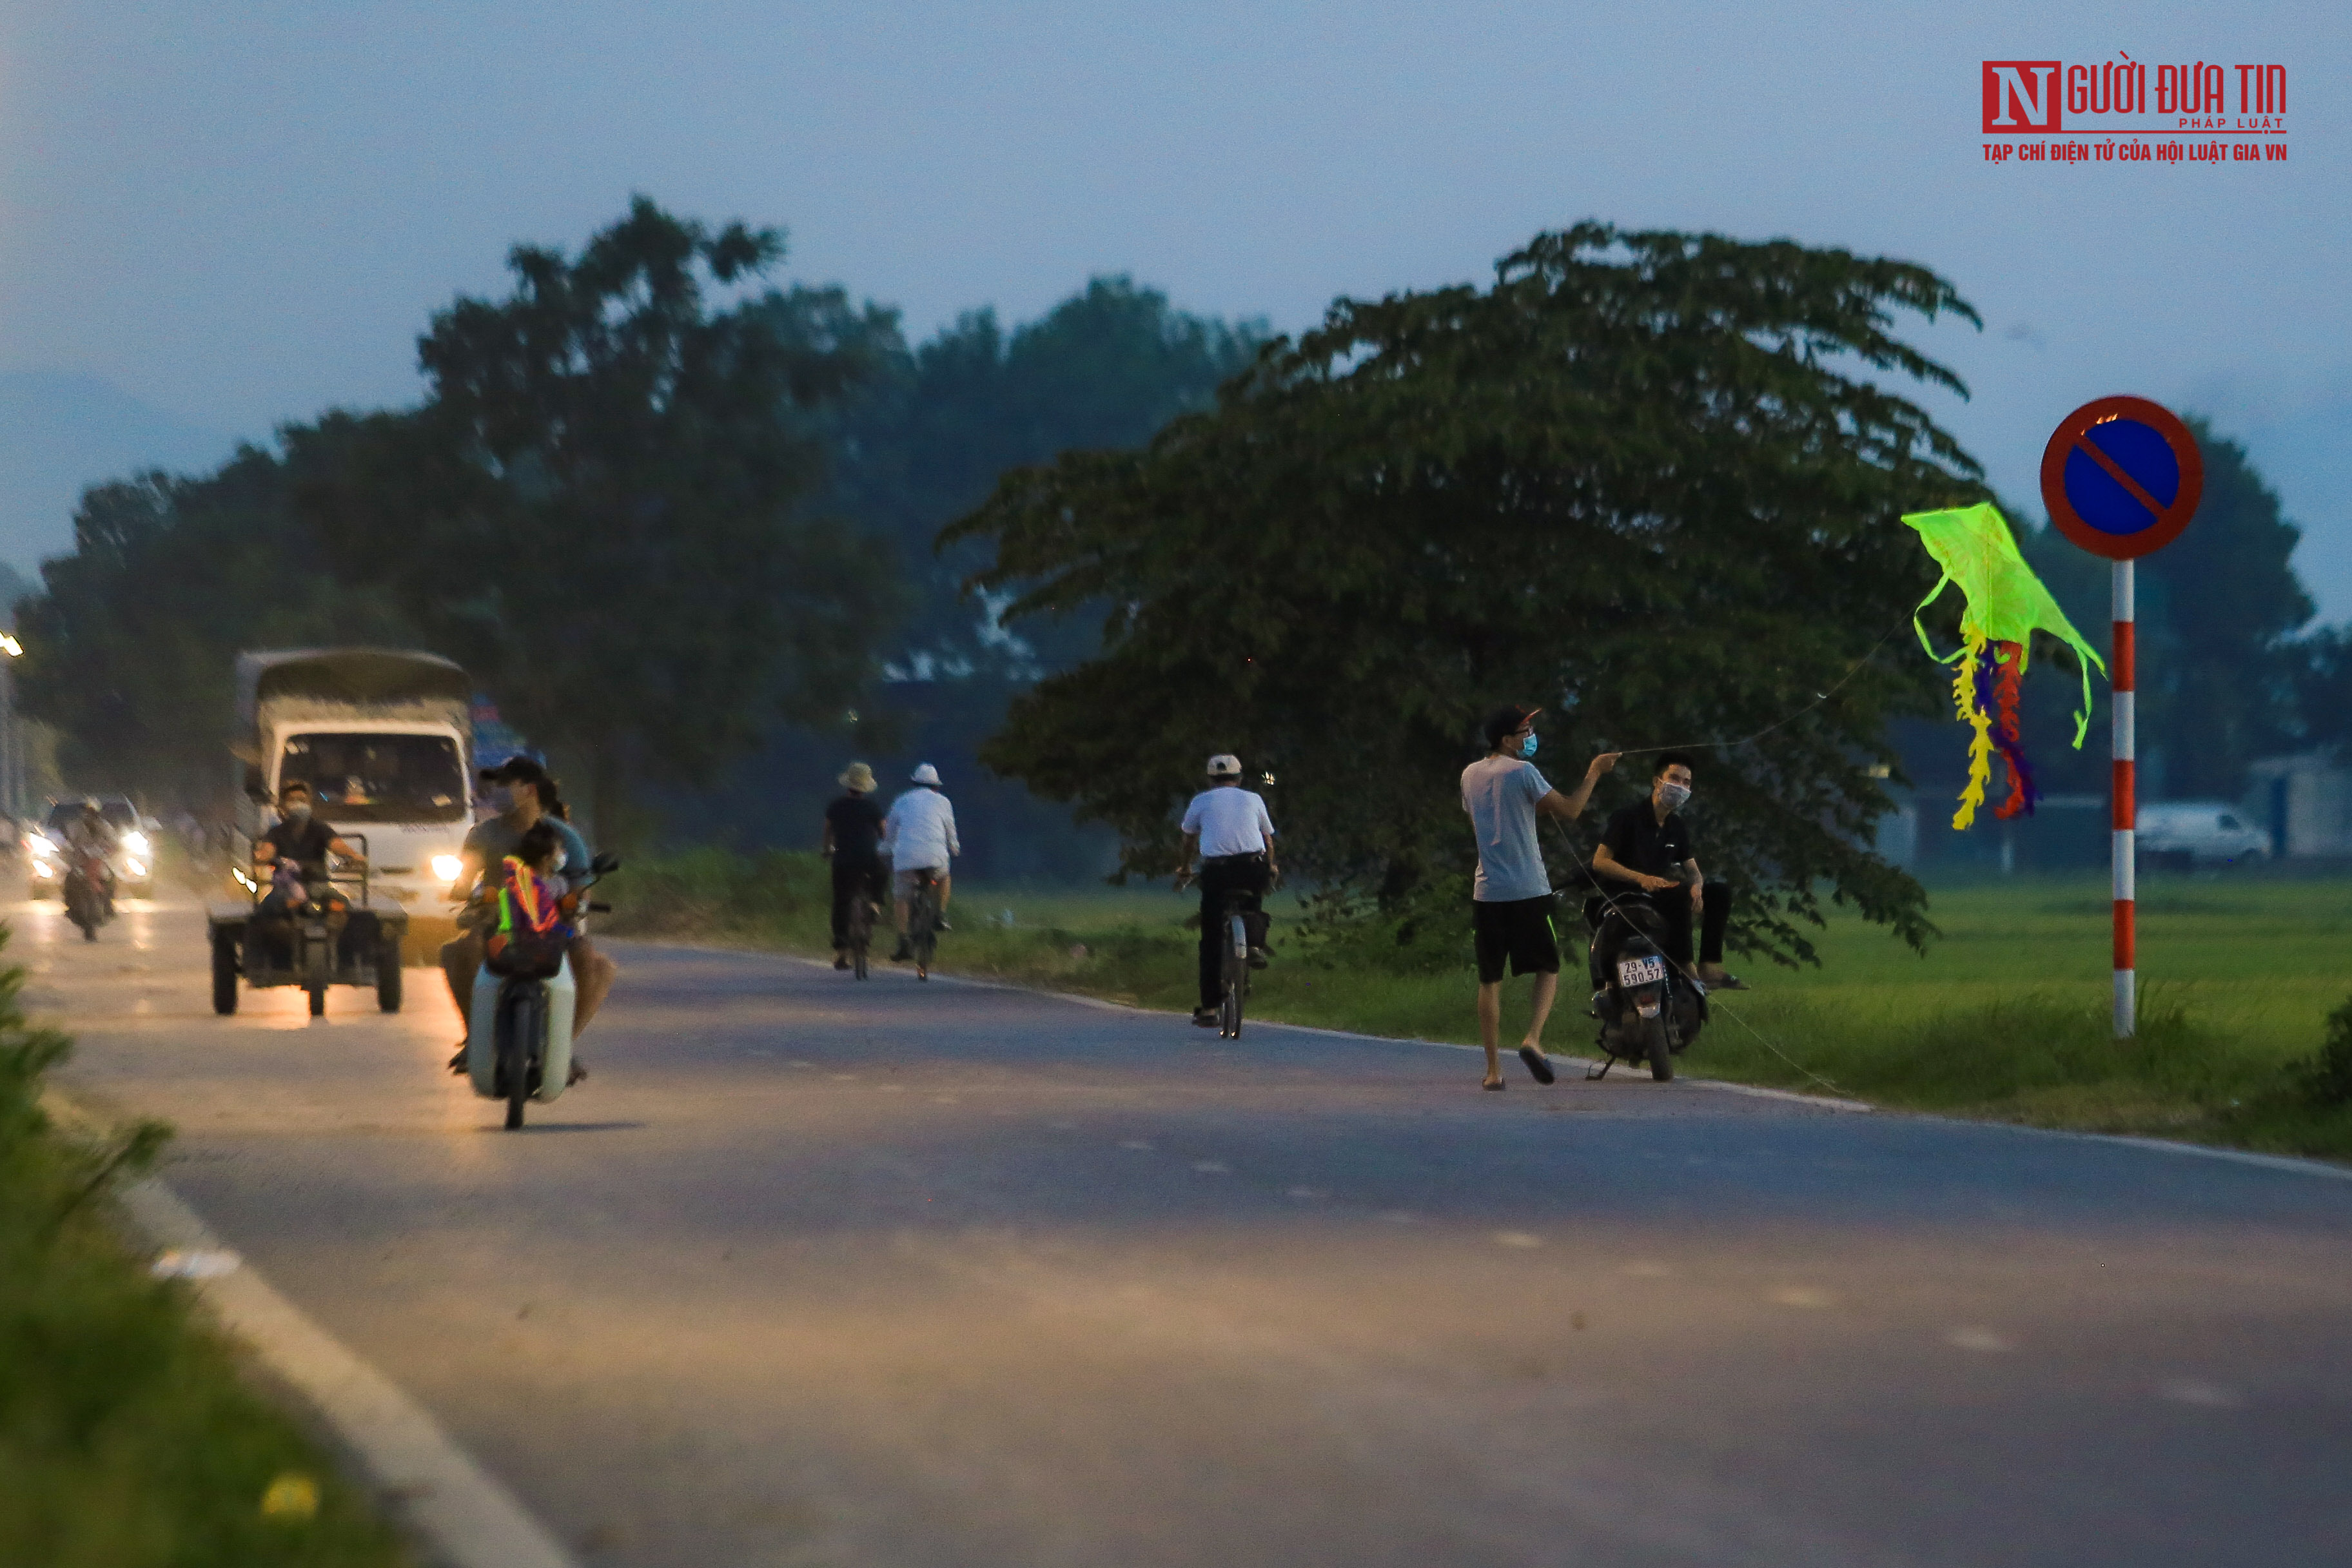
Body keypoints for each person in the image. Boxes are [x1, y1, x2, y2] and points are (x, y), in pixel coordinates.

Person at [1462, 705, 1620, 1090]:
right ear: (1506, 740)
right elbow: (1570, 810)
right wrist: (1595, 772)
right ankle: (1533, 1038)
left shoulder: (1469, 774)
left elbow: (1477, 823)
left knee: (1490, 979)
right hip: (1529, 889)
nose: (1530, 735)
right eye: (1524, 730)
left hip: (1487, 891)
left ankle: (1493, 1071)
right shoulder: (1524, 772)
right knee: (1548, 967)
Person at [441, 758, 615, 1074]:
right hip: (499, 921)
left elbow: (581, 889)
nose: (497, 792)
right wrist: (474, 894)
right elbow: (464, 884)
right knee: (462, 950)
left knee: (593, 962)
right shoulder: (483, 835)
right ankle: (474, 1037)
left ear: (529, 790)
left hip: (552, 925)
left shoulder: (565, 837)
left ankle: (564, 1046)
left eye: (506, 785)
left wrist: (573, 902)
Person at [1591, 752, 1747, 991]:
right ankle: (1686, 967)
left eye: (1686, 783)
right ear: (1657, 782)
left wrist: (1698, 888)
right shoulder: (1627, 817)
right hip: (1626, 894)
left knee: (1719, 891)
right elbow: (1600, 862)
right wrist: (1641, 878)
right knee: (1679, 892)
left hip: (1660, 893)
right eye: (1674, 778)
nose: (1680, 787)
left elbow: (1693, 871)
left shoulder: (1676, 826)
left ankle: (1710, 966)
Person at [1172, 754, 1278, 1028]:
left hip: (1217, 872)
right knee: (1254, 899)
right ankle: (1253, 943)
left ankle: (1209, 1008)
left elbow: (1188, 840)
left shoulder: (1201, 801)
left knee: (1210, 937)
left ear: (1210, 779)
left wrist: (1184, 867)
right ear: (1240, 778)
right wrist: (1272, 866)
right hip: (1251, 868)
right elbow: (1267, 838)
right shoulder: (1253, 798)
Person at [251, 780, 365, 951]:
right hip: (285, 890)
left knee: (346, 907)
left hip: (319, 887)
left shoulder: (321, 829)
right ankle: (260, 955)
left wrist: (354, 856)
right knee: (262, 914)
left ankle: (350, 952)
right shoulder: (276, 833)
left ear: (309, 804)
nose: (298, 804)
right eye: (293, 800)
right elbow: (267, 850)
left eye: (302, 800)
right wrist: (261, 857)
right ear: (283, 806)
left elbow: (337, 845)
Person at [884, 763, 959, 961]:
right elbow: (951, 831)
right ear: (936, 786)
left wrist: (884, 849)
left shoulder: (901, 801)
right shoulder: (944, 802)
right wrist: (955, 848)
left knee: (901, 897)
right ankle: (941, 915)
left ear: (914, 783)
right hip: (936, 857)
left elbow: (889, 834)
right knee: (944, 877)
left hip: (906, 859)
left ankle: (903, 940)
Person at [822, 761, 889, 969]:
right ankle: (875, 903)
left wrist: (827, 850)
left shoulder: (836, 806)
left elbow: (828, 832)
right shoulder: (872, 807)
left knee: (841, 902)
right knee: (883, 872)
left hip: (843, 861)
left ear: (847, 785)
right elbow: (884, 832)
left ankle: (842, 953)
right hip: (868, 859)